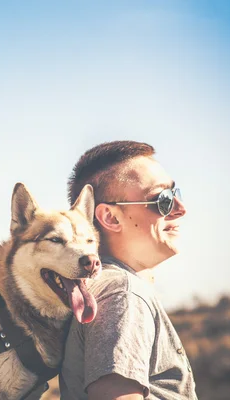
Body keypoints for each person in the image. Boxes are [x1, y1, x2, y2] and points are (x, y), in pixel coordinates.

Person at [60, 140, 198, 400]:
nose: (180, 209)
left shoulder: (105, 287)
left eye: (175, 193)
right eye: (163, 200)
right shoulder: (123, 293)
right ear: (111, 218)